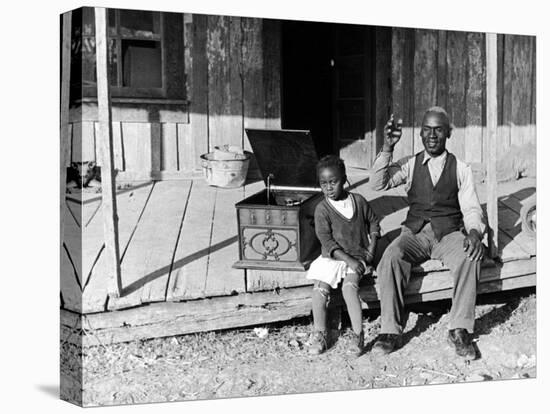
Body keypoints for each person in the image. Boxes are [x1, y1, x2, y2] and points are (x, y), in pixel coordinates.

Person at [370, 107, 485, 360]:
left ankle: (459, 329)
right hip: (415, 233)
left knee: (471, 257)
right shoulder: (410, 165)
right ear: (420, 133)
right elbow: (377, 184)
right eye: (427, 129)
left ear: (449, 133)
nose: (432, 135)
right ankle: (390, 331)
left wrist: (475, 232)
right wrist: (387, 148)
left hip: (448, 234)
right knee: (391, 257)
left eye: (438, 129)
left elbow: (471, 207)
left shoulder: (461, 169)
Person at [307, 155, 380, 356]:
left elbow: (373, 223)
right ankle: (320, 332)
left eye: (333, 182)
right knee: (319, 290)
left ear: (345, 179)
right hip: (335, 257)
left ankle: (358, 335)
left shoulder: (358, 201)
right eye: (324, 183)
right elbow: (326, 241)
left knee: (349, 288)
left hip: (357, 256)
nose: (329, 187)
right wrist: (347, 259)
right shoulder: (322, 209)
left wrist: (371, 251)